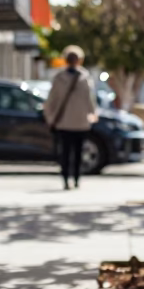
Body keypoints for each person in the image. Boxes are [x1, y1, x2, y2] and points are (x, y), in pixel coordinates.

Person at [44, 45, 98, 190]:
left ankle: (73, 179)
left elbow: (89, 100)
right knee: (70, 152)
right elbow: (89, 100)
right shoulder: (65, 78)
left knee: (72, 152)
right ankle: (70, 179)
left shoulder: (82, 77)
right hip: (70, 122)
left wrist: (93, 113)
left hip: (73, 122)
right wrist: (92, 113)